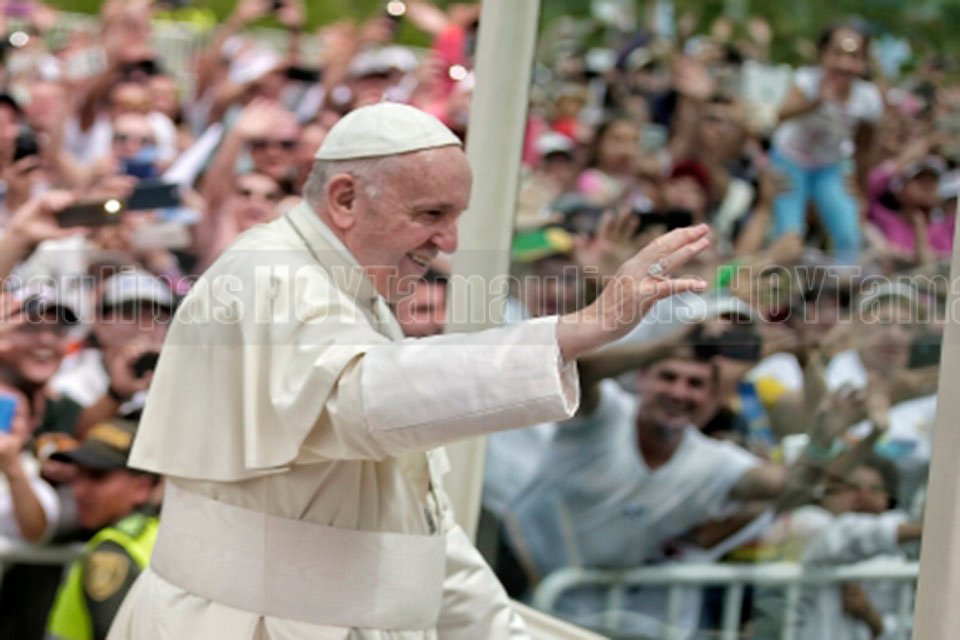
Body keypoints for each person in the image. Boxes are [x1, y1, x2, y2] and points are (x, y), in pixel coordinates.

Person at [108, 101, 711, 639]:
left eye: (456, 216)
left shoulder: (355, 290)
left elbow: (419, 530)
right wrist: (572, 332)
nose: (448, 242)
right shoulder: (269, 274)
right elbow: (359, 397)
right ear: (345, 199)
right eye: (430, 214)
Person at [46, 419, 159, 640]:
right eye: (77, 474)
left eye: (97, 477)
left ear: (142, 488)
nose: (79, 490)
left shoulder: (112, 552)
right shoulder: (163, 534)